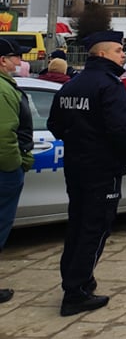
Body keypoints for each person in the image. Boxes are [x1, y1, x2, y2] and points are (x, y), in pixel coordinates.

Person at [48, 30, 126, 316]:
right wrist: (121, 160)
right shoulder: (109, 86)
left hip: (76, 166)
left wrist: (77, 141)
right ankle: (76, 291)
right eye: (119, 50)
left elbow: (54, 124)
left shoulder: (73, 84)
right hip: (102, 168)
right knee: (95, 228)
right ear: (102, 54)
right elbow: (121, 130)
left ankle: (75, 279)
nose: (123, 55)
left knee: (78, 223)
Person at [0, 38, 34, 305]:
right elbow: (4, 134)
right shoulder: (3, 89)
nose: (20, 62)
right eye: (15, 57)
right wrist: (16, 165)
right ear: (3, 61)